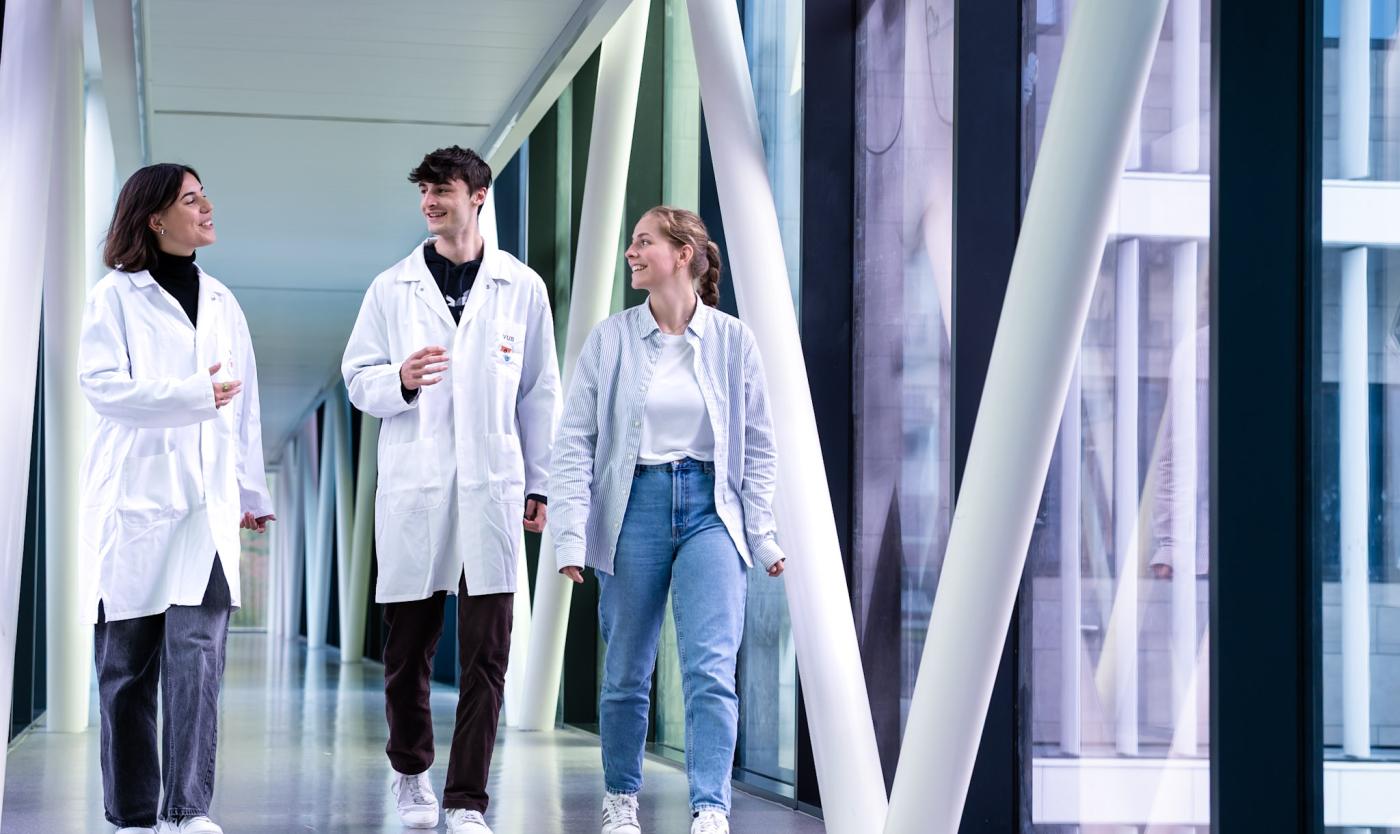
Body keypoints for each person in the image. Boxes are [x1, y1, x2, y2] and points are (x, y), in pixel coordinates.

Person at [342, 145, 560, 834]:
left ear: (479, 196)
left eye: (443, 190)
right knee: (408, 650)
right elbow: (357, 378)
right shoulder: (392, 288)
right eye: (425, 192)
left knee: (488, 655)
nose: (431, 202)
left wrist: (541, 482)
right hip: (417, 486)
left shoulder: (521, 287)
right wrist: (400, 379)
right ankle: (411, 772)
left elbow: (539, 392)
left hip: (493, 488)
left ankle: (466, 799)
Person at [549, 206, 786, 834]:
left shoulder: (734, 340)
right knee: (627, 669)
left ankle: (711, 806)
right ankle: (621, 797)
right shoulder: (610, 339)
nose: (631, 252)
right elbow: (574, 443)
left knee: (711, 669)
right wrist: (571, 535)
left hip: (713, 510)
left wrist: (761, 534)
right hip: (634, 506)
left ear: (683, 254)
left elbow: (760, 445)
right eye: (630, 243)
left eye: (643, 241)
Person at [79, 163, 274, 834]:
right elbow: (102, 386)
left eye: (203, 196)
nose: (207, 206)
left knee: (198, 661)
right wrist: (191, 395)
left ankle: (188, 810)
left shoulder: (222, 302)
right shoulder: (114, 297)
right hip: (135, 501)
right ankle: (133, 814)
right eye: (192, 199)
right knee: (127, 670)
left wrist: (251, 489)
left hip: (205, 508)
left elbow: (244, 405)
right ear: (156, 218)